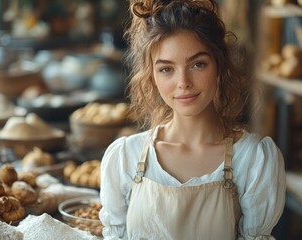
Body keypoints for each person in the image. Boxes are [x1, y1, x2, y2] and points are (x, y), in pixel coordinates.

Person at [99, 0, 286, 239]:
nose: (183, 82)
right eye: (167, 69)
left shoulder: (253, 159)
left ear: (219, 66)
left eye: (198, 64)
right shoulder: (126, 157)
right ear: (152, 76)